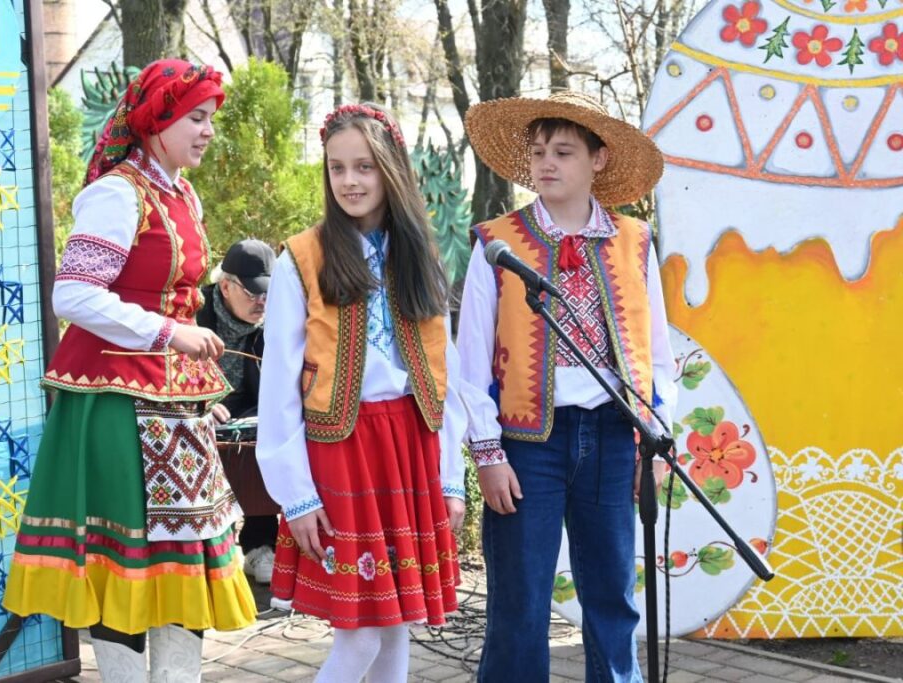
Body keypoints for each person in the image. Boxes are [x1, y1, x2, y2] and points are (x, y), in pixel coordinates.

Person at [3, 59, 256, 680]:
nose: (207, 130)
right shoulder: (117, 194)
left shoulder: (181, 194)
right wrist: (170, 332)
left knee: (183, 561)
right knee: (125, 562)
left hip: (175, 409)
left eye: (210, 119)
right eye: (195, 117)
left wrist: (194, 377)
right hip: (117, 405)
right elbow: (73, 295)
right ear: (155, 121)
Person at [457, 90, 678, 682]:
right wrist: (487, 453)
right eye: (537, 153)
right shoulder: (496, 244)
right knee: (520, 600)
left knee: (613, 595)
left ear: (598, 159)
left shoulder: (634, 241)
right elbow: (470, 363)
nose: (546, 164)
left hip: (614, 435)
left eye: (563, 152)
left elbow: (657, 353)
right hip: (527, 444)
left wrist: (656, 440)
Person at [255, 103, 467, 683]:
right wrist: (296, 495)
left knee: (395, 625)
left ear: (391, 170)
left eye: (364, 167)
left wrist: (451, 476)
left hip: (409, 445)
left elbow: (445, 373)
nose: (349, 181)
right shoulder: (301, 259)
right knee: (362, 636)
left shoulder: (419, 255)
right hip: (341, 450)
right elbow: (278, 385)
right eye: (337, 168)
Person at [197, 239, 280, 584]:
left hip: (249, 411)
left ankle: (260, 545)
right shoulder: (194, 313)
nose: (262, 302)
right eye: (253, 293)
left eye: (267, 293)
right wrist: (203, 404)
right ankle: (213, 548)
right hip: (199, 411)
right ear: (226, 286)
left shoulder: (275, 322)